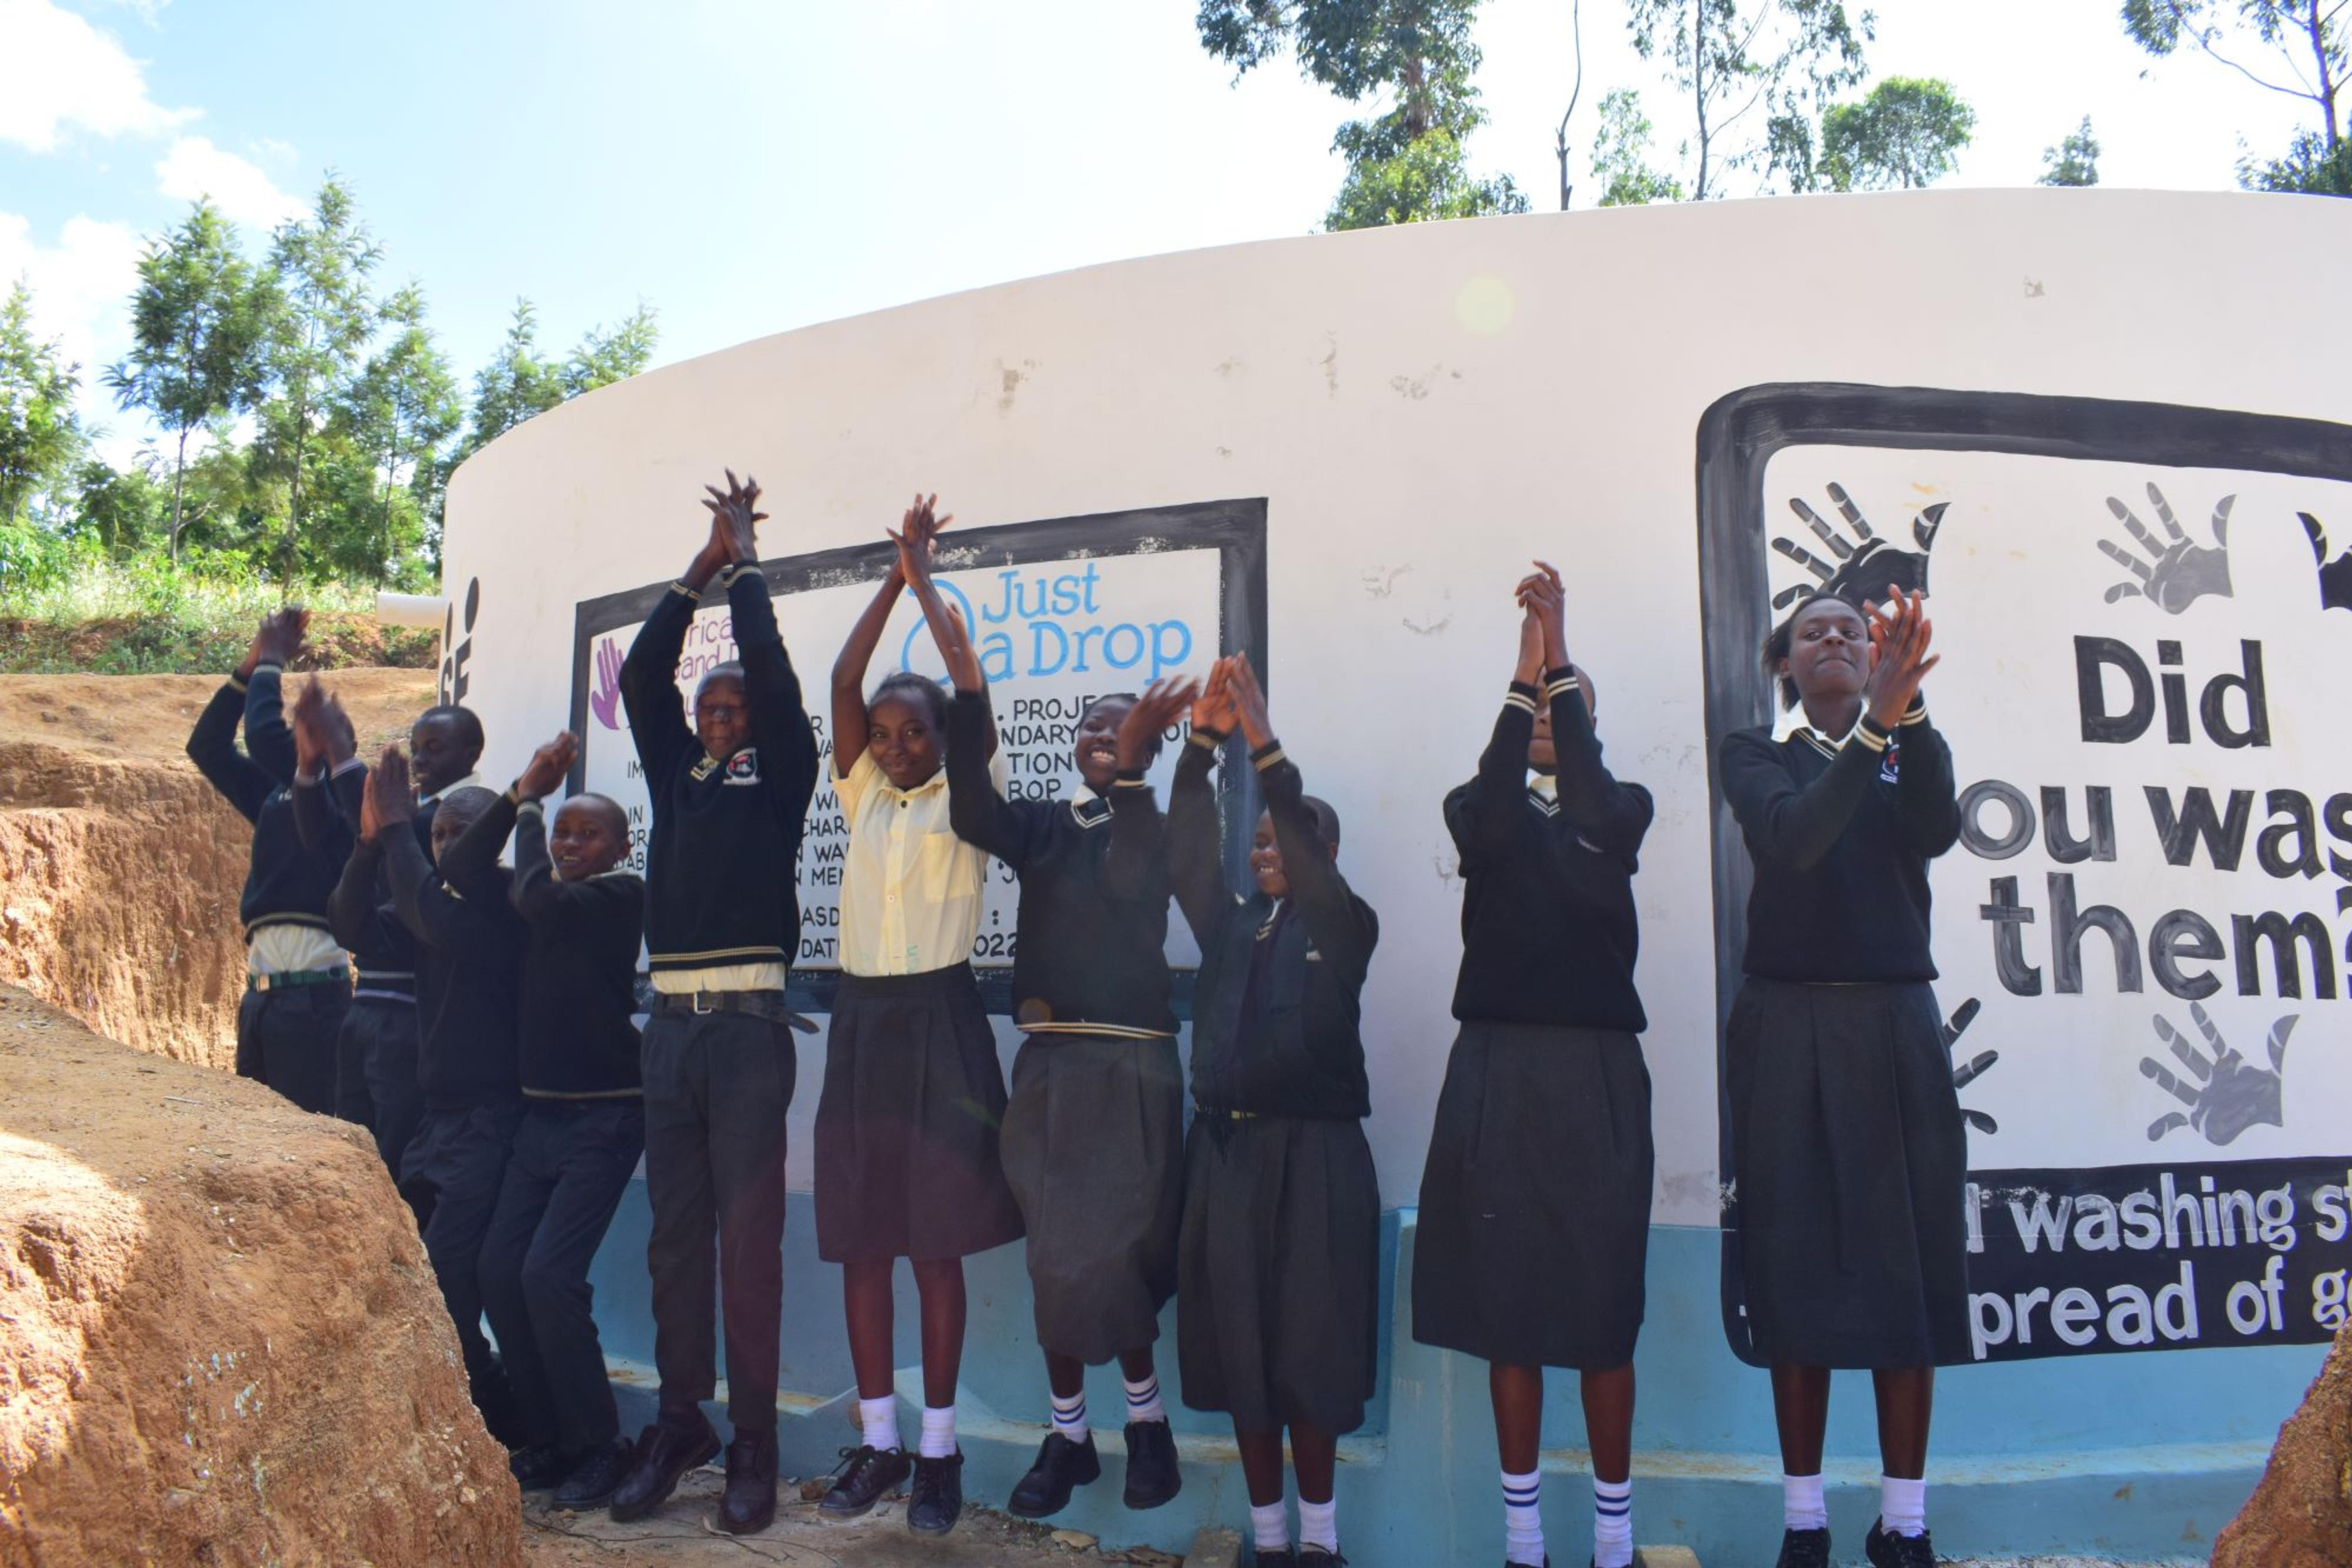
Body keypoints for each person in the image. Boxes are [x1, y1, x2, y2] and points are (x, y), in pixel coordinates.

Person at [1412, 566, 1656, 1568]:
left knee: (1601, 1313)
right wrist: (1528, 672)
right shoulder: (1479, 807)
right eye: (1538, 705)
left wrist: (1559, 668)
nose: (1551, 714)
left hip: (1597, 1077)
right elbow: (1500, 818)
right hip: (1498, 1071)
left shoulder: (1623, 809)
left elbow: (1590, 805)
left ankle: (1612, 1536)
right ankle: (1524, 1540)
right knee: (1509, 1305)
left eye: (1568, 703)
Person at [940, 577, 1195, 1517]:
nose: (1101, 735)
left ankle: (1147, 1424)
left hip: (1132, 1066)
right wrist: (970, 689)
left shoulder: (1160, 830)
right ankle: (1069, 1436)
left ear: (1149, 747)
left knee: (1119, 1254)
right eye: (1092, 726)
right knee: (1055, 1254)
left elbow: (1131, 882)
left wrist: (1132, 774)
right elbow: (971, 807)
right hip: (1049, 1067)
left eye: (1123, 730)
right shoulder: (1044, 826)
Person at [1719, 588, 1961, 1568]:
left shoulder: (1906, 750)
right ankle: (1806, 1520)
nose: (1834, 640)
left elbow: (1936, 827)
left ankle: (1903, 1523)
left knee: (1907, 1269)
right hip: (1786, 1026)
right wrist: (1875, 724)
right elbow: (1798, 839)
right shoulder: (1758, 756)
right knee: (1796, 1268)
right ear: (1785, 664)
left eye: (1853, 632)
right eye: (1812, 631)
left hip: (1894, 1022)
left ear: (1875, 659)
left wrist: (1911, 714)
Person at [608, 472, 821, 1536]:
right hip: (670, 1036)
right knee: (675, 1241)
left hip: (744, 1035)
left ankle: (754, 1446)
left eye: (732, 710)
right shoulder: (676, 773)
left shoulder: (780, 778)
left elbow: (778, 685)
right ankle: (681, 1421)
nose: (722, 719)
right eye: (711, 710)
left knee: (749, 1245)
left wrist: (746, 574)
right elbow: (645, 674)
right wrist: (695, 574)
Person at [812, 495, 1025, 1537]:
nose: (894, 744)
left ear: (947, 737)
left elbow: (970, 679)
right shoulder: (860, 792)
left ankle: (939, 1453)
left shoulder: (969, 797)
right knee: (863, 1247)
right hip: (862, 1025)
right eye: (886, 735)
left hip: (942, 1024)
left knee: (935, 1247)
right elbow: (845, 683)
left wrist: (931, 586)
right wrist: (889, 581)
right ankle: (880, 1442)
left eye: (915, 731)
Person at [1169, 655, 1380, 1568]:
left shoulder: (1343, 925)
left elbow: (1295, 822)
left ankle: (1321, 1545)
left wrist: (1263, 740)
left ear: (1323, 855)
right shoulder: (1227, 927)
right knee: (1244, 1353)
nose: (1267, 850)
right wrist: (1202, 746)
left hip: (1318, 1162)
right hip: (1226, 1161)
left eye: (1285, 839)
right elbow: (1183, 849)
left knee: (1313, 1351)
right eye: (1256, 843)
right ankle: (1268, 1541)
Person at [438, 732, 647, 1511]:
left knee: (547, 1275)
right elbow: (459, 868)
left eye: (587, 833)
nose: (569, 842)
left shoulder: (616, 895)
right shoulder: (538, 889)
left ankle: (604, 1444)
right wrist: (519, 790)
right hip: (538, 1117)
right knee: (497, 1270)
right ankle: (552, 1436)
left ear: (620, 847)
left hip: (606, 1115)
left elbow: (536, 897)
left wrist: (531, 806)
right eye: (563, 831)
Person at [344, 751, 528, 1443]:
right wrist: (369, 845)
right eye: (437, 834)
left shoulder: (507, 904)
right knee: (413, 1265)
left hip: (492, 1120)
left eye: (459, 834)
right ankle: (474, 1405)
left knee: (452, 1273)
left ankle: (494, 1413)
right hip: (437, 1120)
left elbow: (439, 920)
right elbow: (349, 924)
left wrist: (397, 832)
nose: (446, 846)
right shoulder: (430, 915)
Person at [298, 697, 486, 1188]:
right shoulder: (416, 816)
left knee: (392, 1162)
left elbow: (401, 839)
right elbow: (351, 912)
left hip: (409, 1013)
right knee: (353, 1149)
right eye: (416, 748)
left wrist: (342, 754)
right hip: (370, 1004)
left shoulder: (457, 816)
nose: (421, 759)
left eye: (435, 748)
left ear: (472, 753)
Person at [185, 608, 350, 1116]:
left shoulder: (342, 801)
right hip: (262, 1000)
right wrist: (248, 666)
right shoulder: (277, 796)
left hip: (313, 1003)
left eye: (309, 728)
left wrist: (273, 660)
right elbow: (206, 746)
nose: (296, 734)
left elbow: (259, 735)